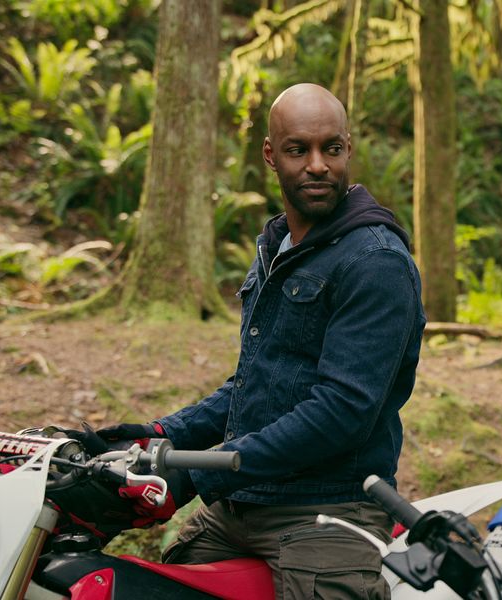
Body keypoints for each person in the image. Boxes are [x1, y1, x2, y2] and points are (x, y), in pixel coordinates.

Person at [93, 83, 425, 599]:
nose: (317, 165)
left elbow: (341, 410)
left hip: (329, 510)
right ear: (271, 154)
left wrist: (196, 478)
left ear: (348, 149)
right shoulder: (280, 247)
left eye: (331, 149)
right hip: (243, 504)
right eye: (299, 150)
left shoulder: (374, 261)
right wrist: (160, 433)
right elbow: (259, 383)